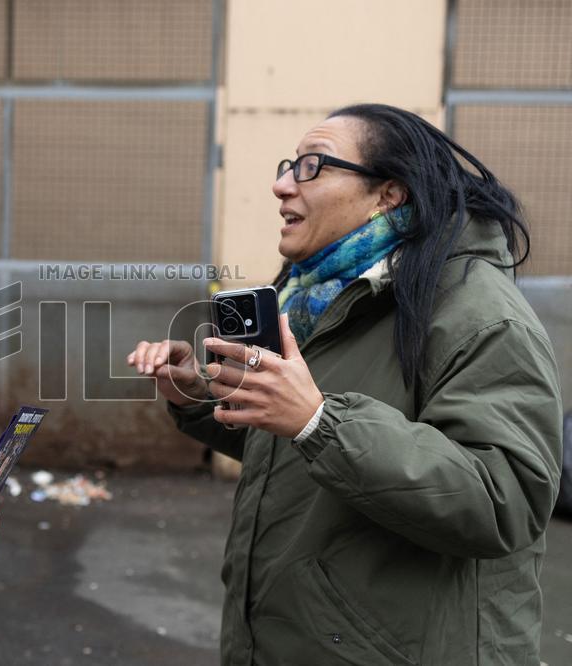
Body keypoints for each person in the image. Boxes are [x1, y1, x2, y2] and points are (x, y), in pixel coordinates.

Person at [129, 104, 562, 665]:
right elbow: (290, 448)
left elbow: (505, 500)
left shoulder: (477, 312)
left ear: (389, 194)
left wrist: (319, 421)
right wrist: (196, 394)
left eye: (312, 166)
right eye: (289, 166)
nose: (282, 185)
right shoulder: (319, 298)